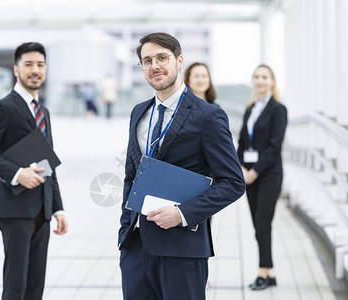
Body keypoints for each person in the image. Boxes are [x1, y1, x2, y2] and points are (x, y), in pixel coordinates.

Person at [118, 32, 245, 300]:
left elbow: (233, 183)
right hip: (137, 247)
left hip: (182, 248)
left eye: (162, 58)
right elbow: (131, 174)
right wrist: (125, 230)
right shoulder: (138, 112)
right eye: (147, 60)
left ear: (179, 61)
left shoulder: (208, 116)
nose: (155, 66)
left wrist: (182, 214)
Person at [0, 42, 68, 300]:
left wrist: (58, 208)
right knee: (16, 283)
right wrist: (17, 174)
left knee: (36, 284)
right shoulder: (3, 107)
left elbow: (48, 162)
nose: (35, 70)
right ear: (16, 70)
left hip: (42, 209)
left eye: (40, 65)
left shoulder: (43, 111)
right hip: (15, 209)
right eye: (28, 65)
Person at [237, 64, 287, 290]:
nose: (260, 81)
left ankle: (262, 273)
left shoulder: (278, 109)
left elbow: (275, 146)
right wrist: (241, 168)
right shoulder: (251, 108)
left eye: (264, 77)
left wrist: (255, 171)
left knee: (262, 223)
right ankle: (270, 272)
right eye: (256, 77)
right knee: (259, 226)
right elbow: (242, 142)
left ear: (272, 81)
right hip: (249, 175)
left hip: (269, 174)